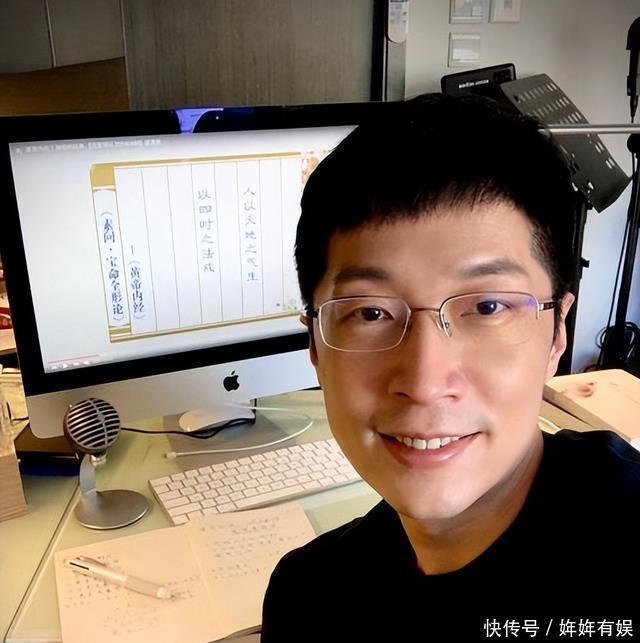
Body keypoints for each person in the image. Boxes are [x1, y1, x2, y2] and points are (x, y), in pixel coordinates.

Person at [261, 94, 640, 642]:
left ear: (557, 332)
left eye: (487, 306)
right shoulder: (310, 595)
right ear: (315, 347)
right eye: (370, 312)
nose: (424, 382)